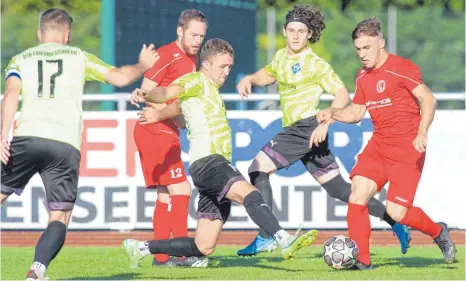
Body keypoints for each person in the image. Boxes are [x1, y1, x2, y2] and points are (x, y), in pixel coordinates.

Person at [123, 38, 318, 269]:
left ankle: (141, 248)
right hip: (209, 163)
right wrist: (147, 95)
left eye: (229, 67)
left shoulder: (210, 91)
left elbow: (177, 107)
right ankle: (282, 239)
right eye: (222, 67)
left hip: (209, 169)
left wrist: (160, 112)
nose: (226, 72)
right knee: (251, 194)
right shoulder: (196, 80)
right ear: (206, 65)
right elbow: (167, 91)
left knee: (203, 246)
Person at [235, 4, 409, 257]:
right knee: (340, 190)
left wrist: (325, 123)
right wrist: (249, 78)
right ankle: (396, 221)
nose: (295, 35)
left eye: (301, 31)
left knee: (257, 169)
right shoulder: (282, 57)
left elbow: (340, 93)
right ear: (284, 31)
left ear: (309, 35)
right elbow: (268, 74)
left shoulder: (315, 64)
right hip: (306, 133)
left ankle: (267, 236)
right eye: (291, 30)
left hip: (304, 128)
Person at [0, 8, 159, 280]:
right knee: (60, 215)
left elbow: (11, 94)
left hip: (27, 137)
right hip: (63, 144)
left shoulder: (20, 59)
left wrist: (3, 134)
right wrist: (144, 66)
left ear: (40, 34)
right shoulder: (78, 57)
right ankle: (37, 270)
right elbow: (120, 77)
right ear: (67, 35)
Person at [317, 18, 456, 269]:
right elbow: (357, 113)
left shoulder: (401, 67)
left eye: (367, 48)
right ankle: (362, 261)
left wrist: (422, 132)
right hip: (379, 147)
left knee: (396, 213)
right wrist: (333, 113)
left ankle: (438, 232)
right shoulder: (362, 76)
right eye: (358, 49)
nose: (362, 54)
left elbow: (429, 101)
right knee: (357, 194)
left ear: (381, 42)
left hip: (407, 150)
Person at [133, 9, 207, 267]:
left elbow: (173, 106)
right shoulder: (167, 54)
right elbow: (146, 93)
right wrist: (140, 95)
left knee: (165, 196)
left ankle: (162, 257)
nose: (198, 40)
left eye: (201, 36)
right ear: (180, 31)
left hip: (164, 129)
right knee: (182, 189)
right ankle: (182, 254)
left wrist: (185, 121)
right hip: (154, 129)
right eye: (193, 34)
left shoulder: (192, 61)